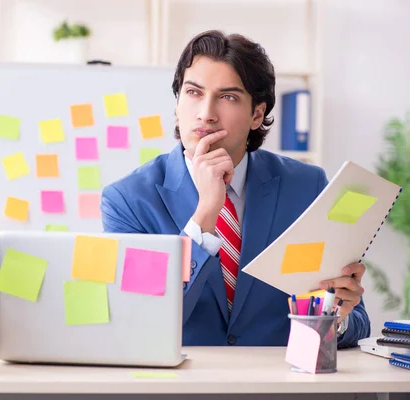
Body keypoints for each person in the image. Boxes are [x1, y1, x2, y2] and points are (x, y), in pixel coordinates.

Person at [100, 30, 369, 348]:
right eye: (193, 93)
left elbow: (358, 322)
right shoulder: (128, 200)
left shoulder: (307, 187)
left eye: (227, 97)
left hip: (280, 388)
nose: (206, 113)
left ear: (257, 113)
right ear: (177, 103)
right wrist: (204, 215)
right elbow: (142, 321)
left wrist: (338, 318)